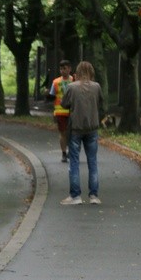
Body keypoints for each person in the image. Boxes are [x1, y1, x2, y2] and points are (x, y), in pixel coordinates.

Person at [60, 61, 105, 205]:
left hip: (76, 129)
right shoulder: (96, 87)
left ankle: (75, 196)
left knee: (74, 162)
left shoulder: (71, 87)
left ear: (77, 73)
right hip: (92, 128)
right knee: (92, 162)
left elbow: (64, 104)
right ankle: (94, 196)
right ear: (91, 72)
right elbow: (100, 102)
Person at [48, 60, 74, 162]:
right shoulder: (56, 82)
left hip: (72, 111)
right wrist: (47, 94)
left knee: (72, 133)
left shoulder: (74, 80)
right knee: (63, 133)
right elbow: (51, 96)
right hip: (60, 112)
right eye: (61, 69)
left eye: (65, 68)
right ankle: (64, 153)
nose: (63, 71)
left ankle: (72, 152)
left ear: (69, 69)